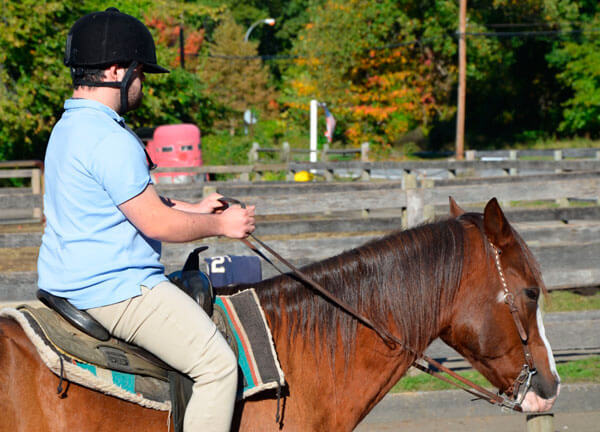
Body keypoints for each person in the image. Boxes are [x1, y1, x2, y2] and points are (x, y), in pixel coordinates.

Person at [37, 7, 255, 431]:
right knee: (218, 366)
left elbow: (129, 200)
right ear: (117, 70)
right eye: (139, 72)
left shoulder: (69, 126)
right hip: (116, 288)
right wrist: (222, 226)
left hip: (68, 278)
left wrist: (196, 208)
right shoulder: (110, 139)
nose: (141, 85)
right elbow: (156, 224)